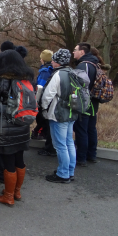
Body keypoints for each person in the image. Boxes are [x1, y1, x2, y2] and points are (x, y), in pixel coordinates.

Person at [0, 50, 34, 207]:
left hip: (6, 128)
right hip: (23, 126)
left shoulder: (3, 81)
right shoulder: (27, 79)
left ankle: (8, 196)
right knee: (19, 160)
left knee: (8, 161)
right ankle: (17, 192)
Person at [41, 49, 78, 183]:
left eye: (54, 59)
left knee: (60, 145)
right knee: (69, 142)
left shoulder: (58, 75)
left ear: (58, 62)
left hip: (59, 113)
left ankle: (63, 174)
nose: (52, 61)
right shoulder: (73, 72)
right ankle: (70, 171)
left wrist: (44, 109)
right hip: (71, 111)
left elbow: (47, 96)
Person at [73, 42, 100, 167]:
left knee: (81, 130)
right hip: (93, 102)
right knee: (90, 129)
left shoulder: (83, 65)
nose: (73, 52)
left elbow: (78, 86)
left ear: (82, 52)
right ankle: (91, 155)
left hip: (84, 103)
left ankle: (81, 158)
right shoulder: (95, 63)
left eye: (75, 50)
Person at [35, 50, 56, 156]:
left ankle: (49, 148)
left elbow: (40, 87)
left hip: (45, 101)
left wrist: (37, 102)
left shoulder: (44, 71)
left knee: (45, 122)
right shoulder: (53, 69)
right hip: (53, 101)